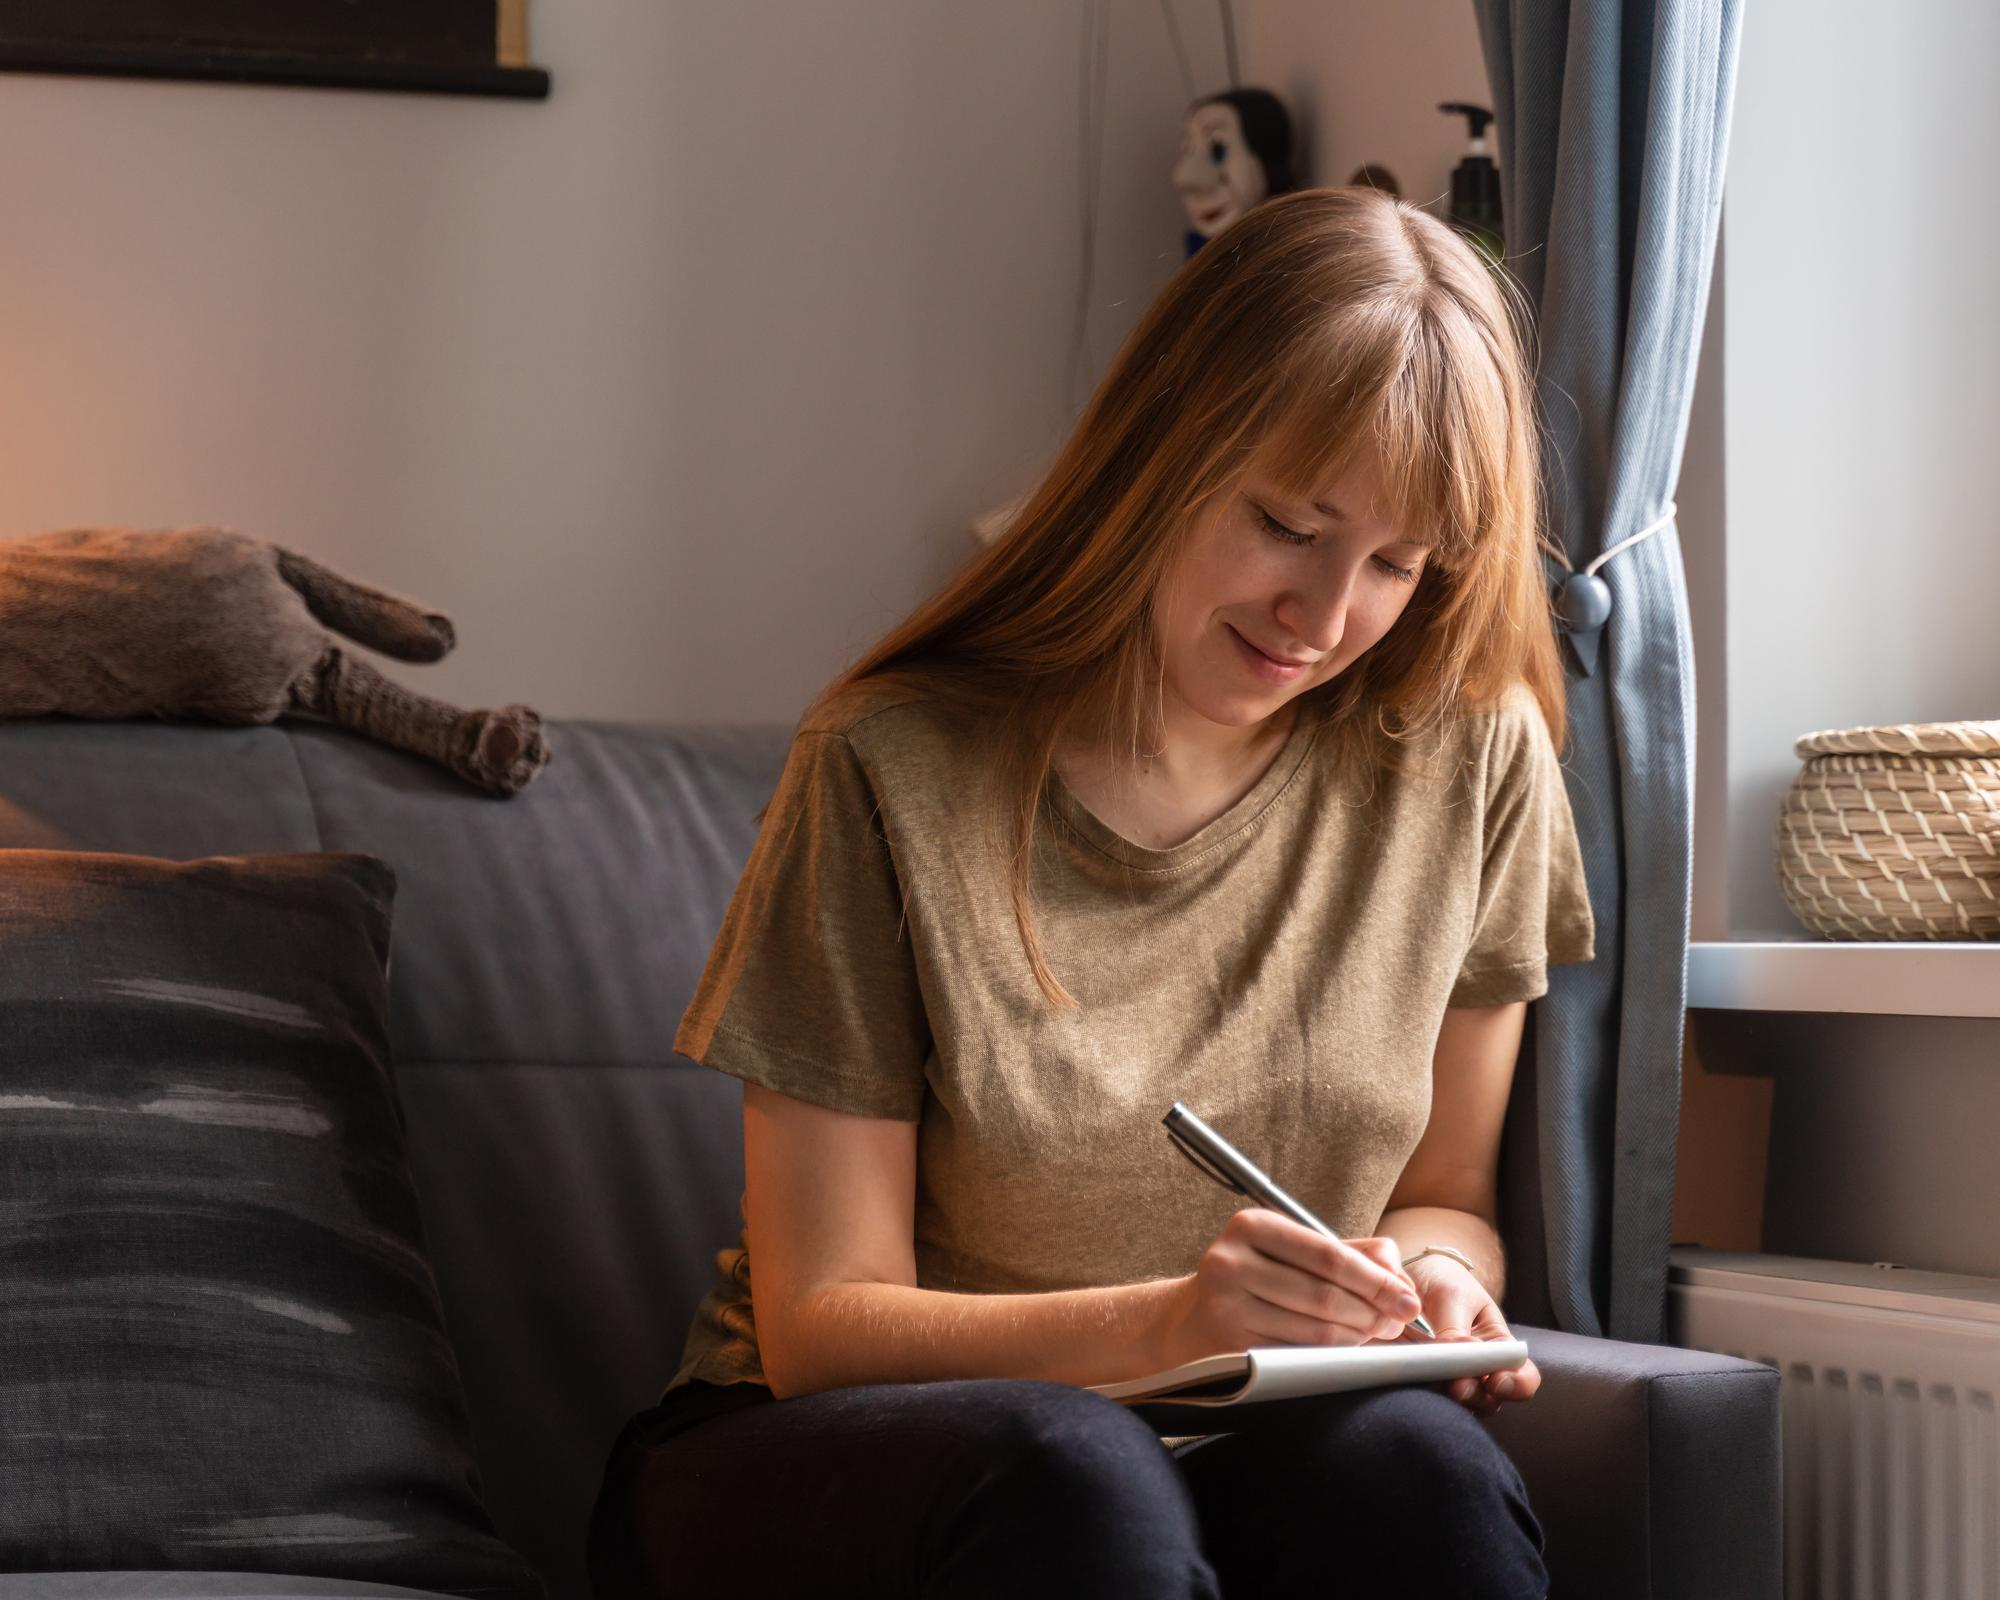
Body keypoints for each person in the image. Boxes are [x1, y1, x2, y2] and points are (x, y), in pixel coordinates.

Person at [588, 184, 1596, 1599]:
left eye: (1396, 566)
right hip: (816, 1449)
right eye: (1287, 525)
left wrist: (1429, 1275)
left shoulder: (1470, 753)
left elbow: (1446, 1192)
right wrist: (1181, 1319)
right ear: (1159, 450)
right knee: (1080, 1477)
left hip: (1218, 1434)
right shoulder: (890, 763)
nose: (1324, 619)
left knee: (1422, 1473)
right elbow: (820, 1326)